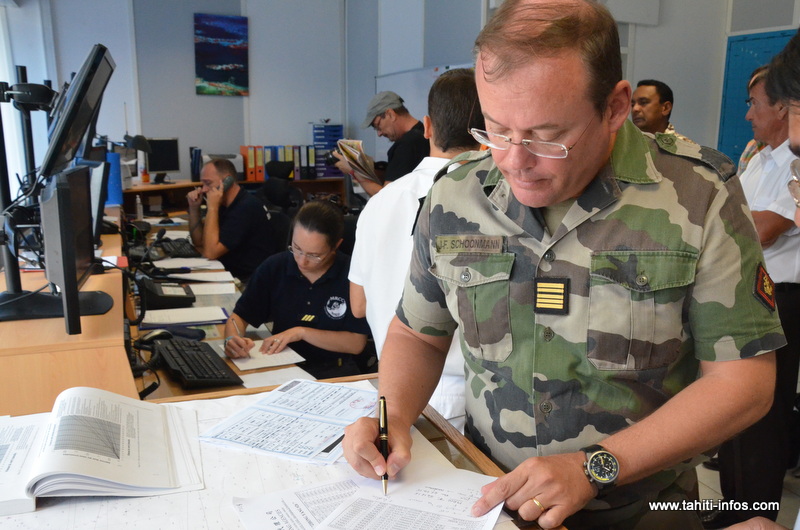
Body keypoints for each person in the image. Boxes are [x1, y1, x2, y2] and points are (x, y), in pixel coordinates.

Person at [342, 1, 783, 529]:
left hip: (643, 508)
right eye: (497, 129)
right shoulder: (454, 196)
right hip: (488, 498)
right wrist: (391, 419)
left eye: (546, 135)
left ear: (616, 106)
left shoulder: (697, 194)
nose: (514, 160)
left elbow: (743, 383)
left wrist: (595, 468)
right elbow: (418, 334)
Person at [348, 68, 484, 431]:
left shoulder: (379, 202)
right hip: (470, 404)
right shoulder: (495, 199)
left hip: (391, 395)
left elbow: (358, 306)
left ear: (426, 127)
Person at [700, 65, 800, 529]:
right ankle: (732, 508)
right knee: (734, 406)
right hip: (745, 292)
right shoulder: (761, 157)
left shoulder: (794, 163)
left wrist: (726, 223)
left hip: (783, 298)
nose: (748, 114)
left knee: (766, 414)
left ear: (784, 107)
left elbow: (763, 227)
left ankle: (756, 515)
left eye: (755, 103)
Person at [223, 200, 370, 380]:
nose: (302, 261)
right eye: (297, 249)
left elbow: (356, 343)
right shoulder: (275, 266)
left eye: (314, 255)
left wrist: (301, 332)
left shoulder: (352, 276)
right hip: (280, 364)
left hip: (334, 372)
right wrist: (232, 340)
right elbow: (239, 317)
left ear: (336, 246)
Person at [187, 158, 276, 283]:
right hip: (227, 270)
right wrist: (194, 209)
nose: (204, 189)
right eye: (202, 184)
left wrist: (212, 208)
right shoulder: (225, 203)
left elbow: (210, 253)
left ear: (227, 180)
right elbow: (199, 243)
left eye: (208, 183)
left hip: (247, 280)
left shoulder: (245, 207)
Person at [335, 91, 430, 195]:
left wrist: (354, 170)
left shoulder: (407, 144)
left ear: (390, 114)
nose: (379, 133)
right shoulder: (424, 133)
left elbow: (388, 197)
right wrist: (365, 165)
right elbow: (397, 175)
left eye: (378, 125)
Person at [630, 79, 695, 142]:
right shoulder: (625, 144)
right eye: (632, 104)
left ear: (666, 108)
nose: (635, 109)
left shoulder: (685, 148)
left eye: (643, 102)